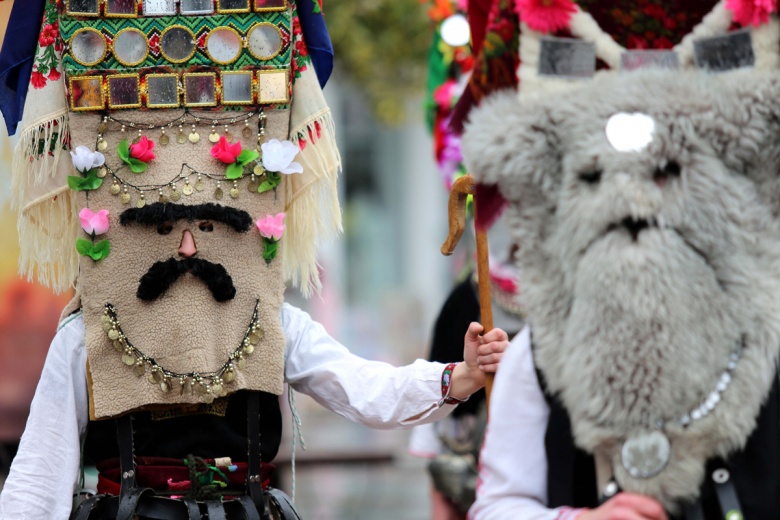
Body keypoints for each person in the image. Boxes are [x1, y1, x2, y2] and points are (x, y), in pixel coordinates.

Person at [0, 1, 510, 518]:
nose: (188, 249)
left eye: (208, 226)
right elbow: (38, 478)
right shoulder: (86, 335)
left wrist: (460, 376)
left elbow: (365, 390)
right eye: (161, 228)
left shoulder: (272, 321)